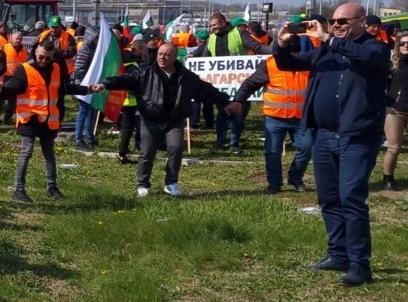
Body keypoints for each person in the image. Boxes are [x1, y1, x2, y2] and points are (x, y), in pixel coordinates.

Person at [275, 3, 391, 286]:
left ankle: (360, 264)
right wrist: (280, 45)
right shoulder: (326, 51)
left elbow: (364, 56)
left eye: (342, 21)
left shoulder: (375, 48)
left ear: (362, 21)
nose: (335, 25)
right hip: (325, 135)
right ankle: (338, 254)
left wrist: (329, 38)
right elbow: (290, 63)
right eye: (333, 21)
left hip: (358, 136)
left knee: (351, 197)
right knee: (328, 198)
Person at [94, 43, 239, 197]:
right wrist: (106, 83)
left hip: (174, 120)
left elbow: (206, 90)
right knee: (147, 152)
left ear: (175, 57)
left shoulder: (185, 76)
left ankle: (171, 183)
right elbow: (125, 79)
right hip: (150, 120)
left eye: (167, 54)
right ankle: (143, 185)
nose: (162, 57)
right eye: (160, 54)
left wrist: (226, 102)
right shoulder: (145, 73)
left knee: (176, 149)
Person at [1, 38, 90, 201]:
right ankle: (18, 190)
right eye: (41, 57)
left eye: (48, 58)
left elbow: (65, 88)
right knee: (26, 152)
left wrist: (87, 90)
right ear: (35, 52)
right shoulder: (24, 69)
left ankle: (52, 187)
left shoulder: (56, 68)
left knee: (49, 153)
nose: (44, 61)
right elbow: (12, 88)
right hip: (29, 118)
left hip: (49, 119)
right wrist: (1, 89)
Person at [233, 24, 312, 194]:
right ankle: (274, 184)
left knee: (307, 147)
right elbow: (250, 84)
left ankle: (295, 177)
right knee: (273, 152)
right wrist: (238, 100)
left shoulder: (308, 63)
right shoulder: (270, 64)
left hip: (301, 118)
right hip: (274, 118)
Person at [190, 13, 249, 154]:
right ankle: (221, 141)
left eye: (214, 25)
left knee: (238, 114)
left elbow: (255, 46)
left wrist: (273, 53)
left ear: (223, 22)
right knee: (222, 113)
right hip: (222, 83)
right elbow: (206, 57)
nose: (212, 28)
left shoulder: (239, 33)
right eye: (211, 26)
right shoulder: (211, 38)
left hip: (240, 82)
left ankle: (235, 142)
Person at [115, 36, 148, 164]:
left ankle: (123, 151)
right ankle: (122, 154)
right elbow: (131, 83)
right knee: (127, 128)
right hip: (129, 100)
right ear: (137, 49)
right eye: (143, 50)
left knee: (127, 128)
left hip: (124, 99)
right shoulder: (132, 65)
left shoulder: (124, 60)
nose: (145, 53)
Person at [383, 31, 408, 190]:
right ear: (398, 46)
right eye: (403, 43)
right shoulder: (392, 65)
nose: (406, 46)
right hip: (395, 111)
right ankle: (388, 178)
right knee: (394, 147)